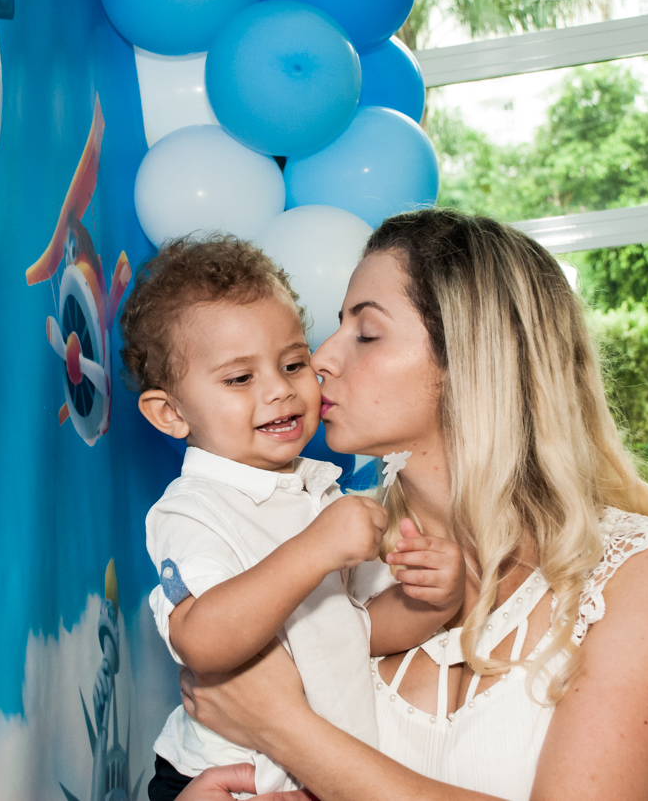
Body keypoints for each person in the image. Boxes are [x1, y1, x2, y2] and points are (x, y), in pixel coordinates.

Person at [175, 210, 648, 801]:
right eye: (335, 327)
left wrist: (282, 727)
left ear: (472, 356)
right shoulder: (320, 549)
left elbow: (269, 725)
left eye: (366, 333)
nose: (320, 358)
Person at [117, 236, 465, 801]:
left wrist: (433, 601)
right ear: (171, 413)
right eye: (239, 378)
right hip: (226, 780)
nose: (280, 389)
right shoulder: (193, 508)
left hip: (319, 771)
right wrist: (315, 550)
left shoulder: (319, 492)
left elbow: (361, 630)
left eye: (293, 363)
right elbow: (200, 640)